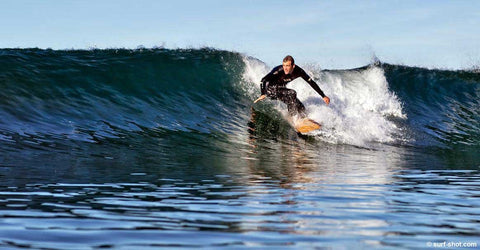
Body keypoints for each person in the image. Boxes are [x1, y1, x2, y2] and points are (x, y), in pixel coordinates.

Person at [254, 55, 330, 118]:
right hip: (270, 90)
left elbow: (311, 82)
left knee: (300, 106)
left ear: (293, 66)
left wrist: (323, 96)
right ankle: (294, 118)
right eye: (284, 65)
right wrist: (263, 93)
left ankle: (303, 121)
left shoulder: (299, 71)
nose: (285, 68)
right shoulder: (278, 70)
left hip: (281, 90)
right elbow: (263, 80)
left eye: (287, 66)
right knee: (292, 93)